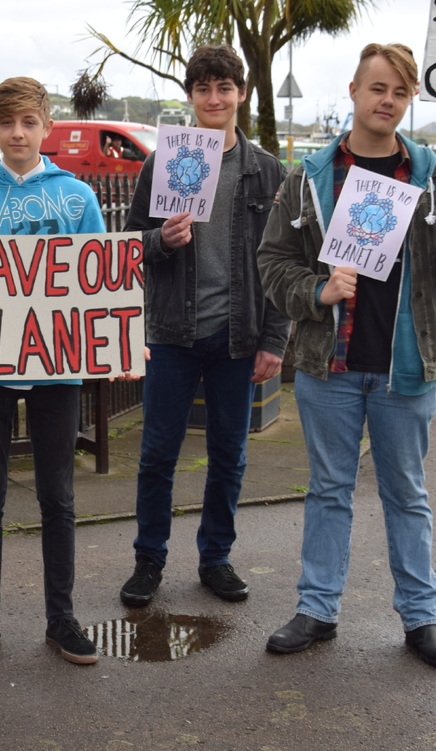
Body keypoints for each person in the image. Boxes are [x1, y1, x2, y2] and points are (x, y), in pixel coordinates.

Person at [257, 43, 436, 668]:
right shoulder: (308, 177)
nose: (387, 101)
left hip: (405, 369)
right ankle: (317, 608)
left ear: (408, 99)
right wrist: (316, 290)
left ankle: (422, 617)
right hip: (329, 365)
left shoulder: (432, 176)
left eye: (399, 92)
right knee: (328, 490)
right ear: (356, 92)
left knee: (407, 494)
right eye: (377, 88)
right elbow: (271, 262)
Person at [0, 77, 108, 670]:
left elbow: (101, 281)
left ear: (46, 124)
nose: (18, 133)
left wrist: (115, 338)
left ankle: (62, 618)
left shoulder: (79, 197)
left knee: (58, 496)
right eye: (6, 123)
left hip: (58, 370)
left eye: (29, 122)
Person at [118, 44, 291, 608]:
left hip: (237, 338)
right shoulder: (161, 163)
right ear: (190, 95)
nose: (214, 99)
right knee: (157, 454)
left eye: (224, 88)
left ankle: (215, 557)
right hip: (172, 333)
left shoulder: (267, 172)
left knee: (230, 454)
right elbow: (128, 247)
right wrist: (158, 241)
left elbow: (286, 263)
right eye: (202, 89)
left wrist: (274, 340)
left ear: (240, 93)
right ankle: (149, 560)